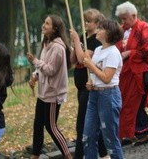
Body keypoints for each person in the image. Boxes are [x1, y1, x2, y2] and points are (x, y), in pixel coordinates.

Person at [115, 1, 148, 146]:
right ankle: (128, 133)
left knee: (136, 103)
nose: (123, 22)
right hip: (124, 74)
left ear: (133, 15)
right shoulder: (122, 30)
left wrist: (131, 53)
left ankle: (143, 133)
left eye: (125, 19)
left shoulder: (143, 28)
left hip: (138, 74)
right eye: (121, 19)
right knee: (125, 103)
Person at [27, 15, 72, 159]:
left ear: (55, 29)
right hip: (43, 93)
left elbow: (50, 70)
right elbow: (42, 67)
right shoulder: (46, 43)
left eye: (47, 23)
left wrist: (34, 61)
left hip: (53, 93)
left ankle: (68, 156)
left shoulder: (58, 48)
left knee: (51, 127)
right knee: (38, 125)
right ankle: (35, 155)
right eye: (44, 22)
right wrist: (35, 76)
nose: (43, 25)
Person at [80, 19, 124, 158]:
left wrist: (90, 66)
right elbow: (95, 72)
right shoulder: (98, 50)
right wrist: (90, 81)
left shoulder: (113, 53)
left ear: (109, 33)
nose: (97, 30)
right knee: (88, 137)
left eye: (101, 29)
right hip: (94, 95)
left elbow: (106, 78)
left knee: (110, 140)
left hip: (108, 96)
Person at [70, 9, 108, 159]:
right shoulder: (82, 37)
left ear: (97, 23)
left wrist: (77, 45)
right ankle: (104, 155)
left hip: (90, 86)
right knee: (91, 122)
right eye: (84, 21)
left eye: (88, 21)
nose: (85, 24)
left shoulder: (96, 40)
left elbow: (83, 60)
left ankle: (79, 156)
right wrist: (74, 43)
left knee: (82, 124)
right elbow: (73, 59)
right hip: (80, 87)